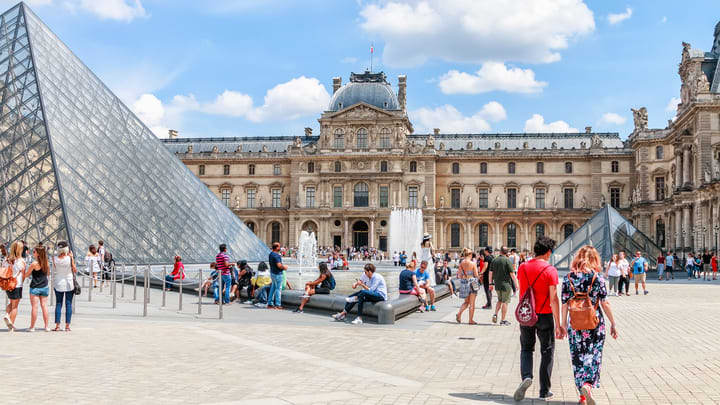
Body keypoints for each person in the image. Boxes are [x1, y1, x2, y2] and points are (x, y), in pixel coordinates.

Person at [561, 246, 618, 405]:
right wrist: (613, 323)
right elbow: (605, 303)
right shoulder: (597, 278)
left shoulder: (568, 278)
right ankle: (588, 385)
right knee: (593, 355)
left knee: (578, 358)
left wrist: (562, 324)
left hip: (575, 323)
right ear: (595, 259)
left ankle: (582, 396)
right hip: (595, 322)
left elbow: (564, 304)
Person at [513, 236, 563, 402]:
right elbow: (554, 299)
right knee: (547, 351)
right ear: (548, 252)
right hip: (544, 315)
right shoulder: (550, 270)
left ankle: (526, 376)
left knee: (526, 348)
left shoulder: (523, 267)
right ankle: (544, 390)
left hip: (527, 313)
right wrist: (558, 322)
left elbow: (523, 289)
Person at [52, 241, 76, 332]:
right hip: (69, 283)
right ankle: (67, 326)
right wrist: (72, 258)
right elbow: (75, 269)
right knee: (68, 304)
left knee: (58, 304)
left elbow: (54, 270)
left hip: (58, 282)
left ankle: (57, 326)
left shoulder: (54, 258)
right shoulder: (69, 258)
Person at [26, 245, 51, 332]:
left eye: (34, 252)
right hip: (44, 286)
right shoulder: (47, 263)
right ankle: (46, 326)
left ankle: (32, 327)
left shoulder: (34, 264)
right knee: (44, 306)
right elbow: (48, 274)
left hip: (35, 287)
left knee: (34, 307)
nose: (33, 253)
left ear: (38, 254)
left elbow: (27, 275)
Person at [491, 246, 517, 326]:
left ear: (500, 251)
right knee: (505, 302)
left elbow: (490, 273)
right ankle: (503, 320)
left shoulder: (494, 260)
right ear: (507, 252)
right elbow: (512, 274)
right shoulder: (507, 260)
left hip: (497, 284)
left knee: (499, 300)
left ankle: (495, 314)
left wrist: (490, 283)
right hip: (506, 284)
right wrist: (516, 284)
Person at [3, 241, 26, 331]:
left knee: (12, 302)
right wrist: (22, 282)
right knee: (15, 306)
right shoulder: (21, 261)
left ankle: (7, 314)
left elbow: (4, 269)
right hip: (17, 284)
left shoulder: (6, 260)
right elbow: (23, 275)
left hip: (8, 284)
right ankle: (11, 326)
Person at [456, 248, 479, 324]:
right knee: (472, 303)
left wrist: (465, 276)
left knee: (466, 302)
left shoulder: (461, 263)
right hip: (472, 283)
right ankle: (470, 320)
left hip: (464, 283)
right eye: (472, 254)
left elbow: (459, 275)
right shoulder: (472, 263)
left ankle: (459, 313)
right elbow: (476, 275)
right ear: (469, 255)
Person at [268, 242, 288, 310]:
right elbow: (279, 265)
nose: (280, 248)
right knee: (278, 289)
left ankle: (270, 304)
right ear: (276, 247)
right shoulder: (276, 255)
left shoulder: (271, 254)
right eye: (279, 246)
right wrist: (284, 267)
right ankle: (278, 305)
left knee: (273, 288)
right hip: (277, 274)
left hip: (272, 273)